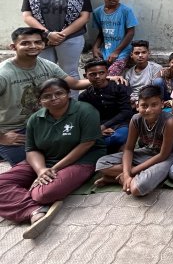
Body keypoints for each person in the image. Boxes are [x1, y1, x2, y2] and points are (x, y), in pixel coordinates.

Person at [0, 78, 105, 239]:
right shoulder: (35, 119)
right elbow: (32, 150)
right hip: (46, 159)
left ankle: (23, 199)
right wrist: (41, 170)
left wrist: (54, 169)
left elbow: (87, 144)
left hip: (82, 160)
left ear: (68, 94)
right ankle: (34, 211)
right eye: (47, 96)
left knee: (43, 194)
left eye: (59, 93)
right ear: (40, 101)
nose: (54, 98)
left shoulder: (85, 111)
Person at [0, 27, 117, 166]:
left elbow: (75, 83)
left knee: (92, 146)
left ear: (43, 44)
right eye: (25, 43)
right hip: (16, 130)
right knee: (29, 167)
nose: (33, 46)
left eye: (37, 42)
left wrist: (107, 79)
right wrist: (2, 137)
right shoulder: (3, 73)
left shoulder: (46, 65)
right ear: (13, 47)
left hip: (45, 122)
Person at [94, 85, 173, 195]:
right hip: (148, 152)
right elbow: (128, 149)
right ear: (137, 106)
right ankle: (128, 178)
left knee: (137, 189)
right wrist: (127, 174)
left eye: (154, 105)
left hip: (169, 156)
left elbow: (163, 155)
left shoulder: (169, 122)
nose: (148, 110)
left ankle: (115, 178)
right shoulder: (136, 119)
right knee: (101, 164)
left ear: (162, 104)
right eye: (144, 105)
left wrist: (131, 171)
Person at [21, 0, 92, 82]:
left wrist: (61, 35)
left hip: (70, 37)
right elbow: (27, 16)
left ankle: (71, 95)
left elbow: (85, 16)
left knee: (69, 72)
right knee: (44, 72)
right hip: (42, 38)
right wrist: (48, 34)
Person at [78, 60, 133, 153]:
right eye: (93, 74)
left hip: (120, 124)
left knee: (118, 138)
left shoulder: (120, 87)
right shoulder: (84, 96)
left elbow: (126, 112)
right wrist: (98, 129)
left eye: (101, 73)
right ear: (85, 76)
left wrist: (104, 126)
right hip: (98, 127)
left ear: (107, 73)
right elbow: (86, 118)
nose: (97, 77)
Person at [91, 0, 138, 76]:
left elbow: (130, 33)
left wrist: (116, 52)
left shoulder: (126, 11)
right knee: (96, 75)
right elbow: (102, 32)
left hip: (122, 53)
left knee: (110, 76)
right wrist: (95, 47)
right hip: (105, 52)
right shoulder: (97, 12)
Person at [123, 40, 163, 105]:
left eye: (144, 52)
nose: (140, 55)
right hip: (134, 101)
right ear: (131, 55)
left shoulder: (156, 68)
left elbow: (154, 89)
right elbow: (128, 92)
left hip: (151, 98)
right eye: (137, 53)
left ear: (148, 53)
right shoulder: (128, 73)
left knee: (158, 81)